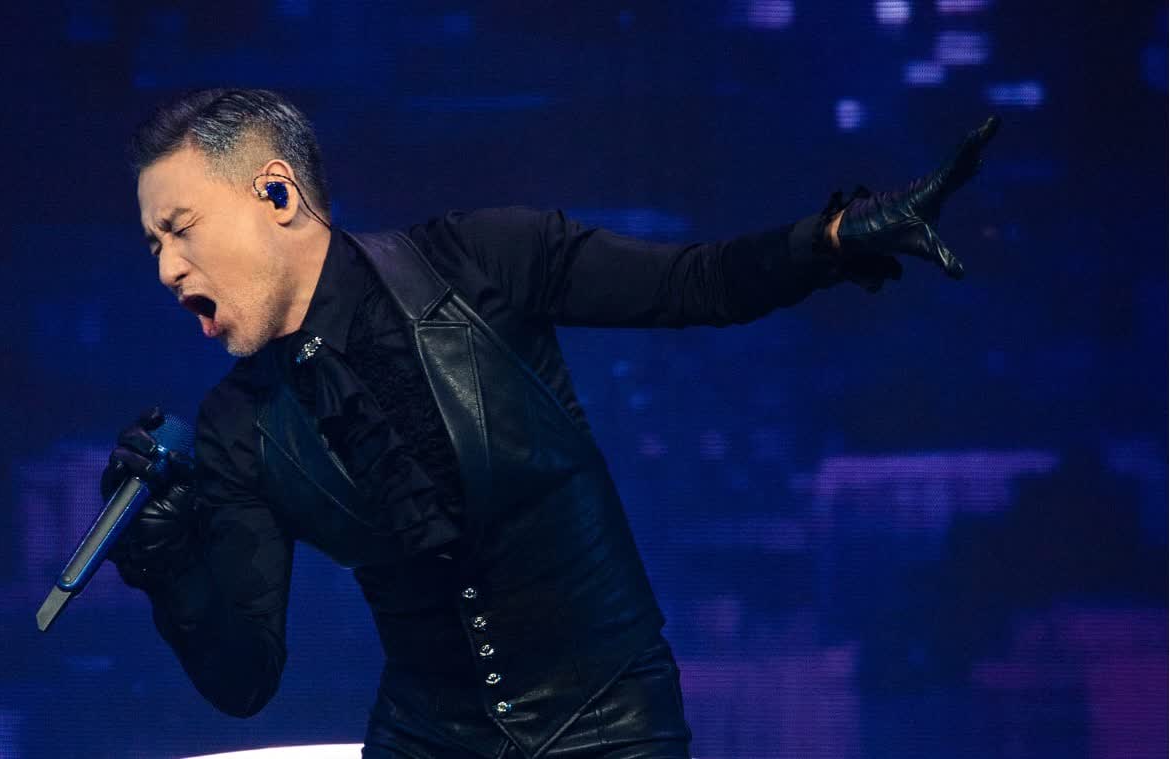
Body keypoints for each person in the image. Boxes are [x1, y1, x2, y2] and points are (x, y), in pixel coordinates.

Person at [100, 88, 1000, 758]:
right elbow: (244, 679)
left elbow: (698, 282)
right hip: (427, 738)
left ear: (277, 194)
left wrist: (838, 238)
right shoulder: (240, 427)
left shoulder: (479, 260)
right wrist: (168, 564)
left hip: (611, 721)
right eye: (153, 245)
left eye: (181, 228)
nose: (168, 267)